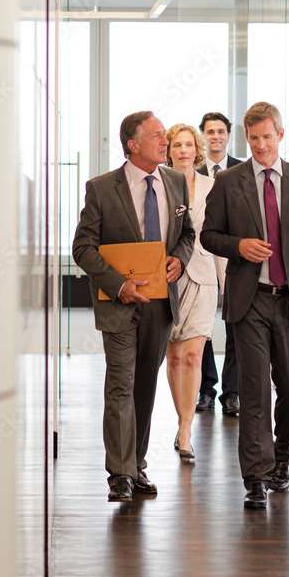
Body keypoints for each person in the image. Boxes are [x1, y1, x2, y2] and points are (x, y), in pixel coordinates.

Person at [201, 101, 289, 509]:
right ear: (247, 138)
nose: (260, 145)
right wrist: (239, 246)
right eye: (254, 138)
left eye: (267, 137)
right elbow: (209, 236)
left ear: (280, 135)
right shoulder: (228, 181)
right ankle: (255, 478)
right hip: (250, 301)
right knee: (255, 390)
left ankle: (282, 462)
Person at [72, 111, 195, 502]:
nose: (166, 141)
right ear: (133, 144)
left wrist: (180, 258)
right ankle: (120, 474)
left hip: (160, 303)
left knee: (144, 385)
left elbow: (187, 233)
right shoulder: (102, 188)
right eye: (158, 136)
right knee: (120, 386)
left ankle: (137, 465)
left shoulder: (175, 182)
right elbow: (82, 247)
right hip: (119, 303)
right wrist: (119, 284)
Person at [164, 123, 223, 461]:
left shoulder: (213, 186)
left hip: (203, 277)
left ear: (197, 150)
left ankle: (186, 428)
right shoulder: (160, 184)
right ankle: (179, 418)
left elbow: (217, 240)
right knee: (173, 357)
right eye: (177, 145)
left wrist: (227, 287)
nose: (184, 151)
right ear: (169, 150)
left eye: (189, 145)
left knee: (192, 355)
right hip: (169, 278)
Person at [195, 112, 243, 416]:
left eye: (221, 131)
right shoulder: (190, 170)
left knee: (236, 323)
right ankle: (206, 389)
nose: (216, 136)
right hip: (200, 253)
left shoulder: (243, 170)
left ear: (228, 135)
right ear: (203, 135)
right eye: (210, 132)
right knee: (201, 324)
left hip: (232, 253)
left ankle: (232, 392)